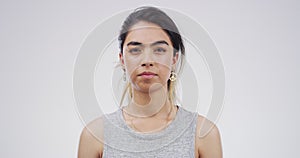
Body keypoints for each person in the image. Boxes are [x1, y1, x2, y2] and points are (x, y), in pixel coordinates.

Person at [78, 6, 222, 158]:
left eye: (159, 50)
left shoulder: (203, 134)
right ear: (122, 59)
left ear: (174, 59)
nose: (147, 60)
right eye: (135, 50)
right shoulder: (95, 135)